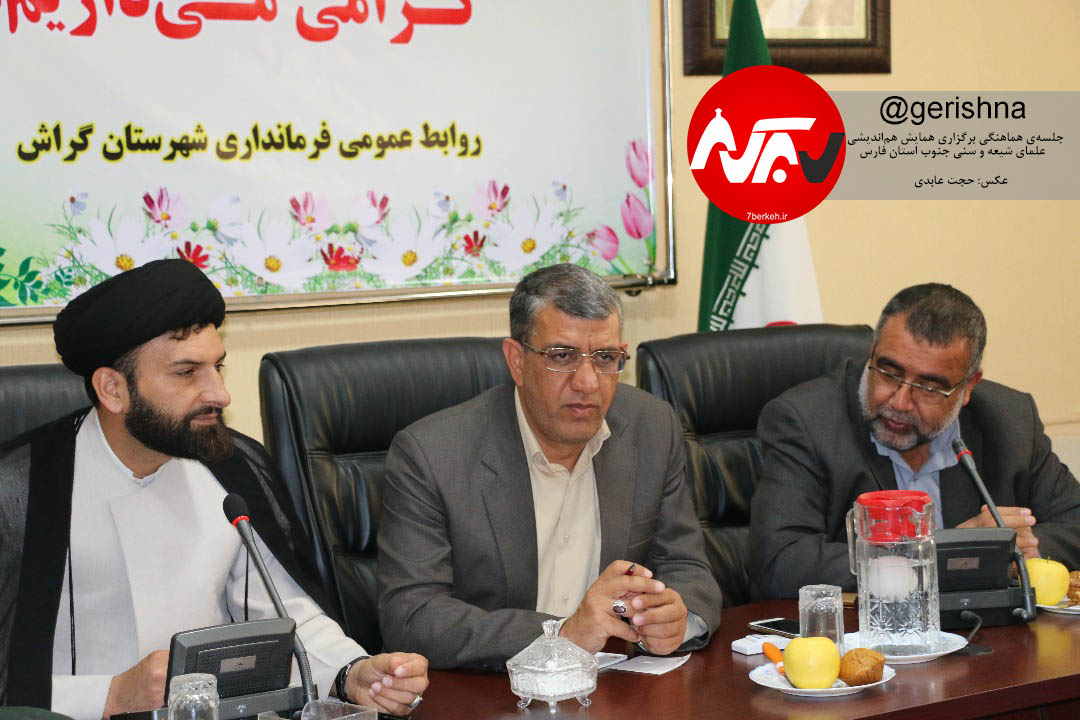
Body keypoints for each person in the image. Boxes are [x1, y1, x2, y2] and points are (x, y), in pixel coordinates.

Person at [0, 260, 428, 718]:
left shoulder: (235, 467)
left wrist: (350, 673)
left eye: (217, 367)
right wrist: (111, 694)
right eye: (187, 373)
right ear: (113, 389)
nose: (220, 394)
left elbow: (284, 616)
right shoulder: (18, 492)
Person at [377, 263, 721, 669]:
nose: (588, 382)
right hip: (495, 689)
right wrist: (562, 635)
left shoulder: (651, 426)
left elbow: (686, 566)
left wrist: (676, 619)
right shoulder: (432, 454)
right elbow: (413, 615)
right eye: (562, 356)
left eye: (605, 357)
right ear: (516, 361)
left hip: (614, 685)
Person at [749, 283, 1080, 598]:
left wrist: (1014, 548)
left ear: (968, 387)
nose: (900, 402)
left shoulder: (1011, 421)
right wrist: (946, 553)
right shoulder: (807, 421)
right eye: (889, 372)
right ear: (872, 353)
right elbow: (779, 561)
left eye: (929, 388)